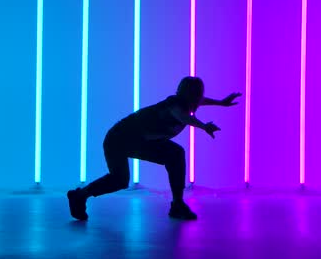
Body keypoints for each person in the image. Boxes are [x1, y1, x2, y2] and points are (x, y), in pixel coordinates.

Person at [67, 76, 241, 221]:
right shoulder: (174, 105)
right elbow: (183, 117)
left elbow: (201, 101)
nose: (198, 99)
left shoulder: (189, 103)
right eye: (193, 94)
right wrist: (204, 126)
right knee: (120, 180)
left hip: (140, 140)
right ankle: (79, 196)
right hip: (119, 139)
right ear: (184, 93)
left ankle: (177, 205)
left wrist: (221, 103)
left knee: (174, 154)